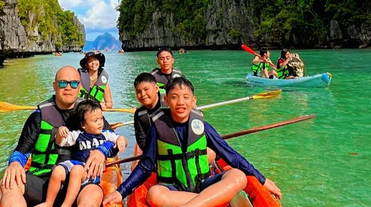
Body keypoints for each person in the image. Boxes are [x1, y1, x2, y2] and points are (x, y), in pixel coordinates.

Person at [102, 77, 282, 207]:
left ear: (193, 101)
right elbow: (145, 165)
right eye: (174, 97)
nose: (181, 102)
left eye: (186, 97)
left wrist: (263, 179)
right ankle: (210, 201)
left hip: (203, 185)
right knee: (154, 194)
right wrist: (121, 191)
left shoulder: (202, 126)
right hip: (173, 190)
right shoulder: (156, 128)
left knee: (238, 176)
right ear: (166, 100)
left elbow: (231, 155)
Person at [0, 66, 106, 207]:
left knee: (94, 194)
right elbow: (22, 150)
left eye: (73, 83)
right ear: (55, 86)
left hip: (80, 181)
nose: (68, 87)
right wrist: (15, 163)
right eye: (63, 83)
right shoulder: (38, 117)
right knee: (9, 184)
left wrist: (102, 151)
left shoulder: (89, 112)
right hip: (43, 181)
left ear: (79, 87)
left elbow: (113, 140)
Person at [36, 100, 127, 207]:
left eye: (101, 118)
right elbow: (60, 142)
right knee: (58, 170)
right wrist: (60, 131)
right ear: (83, 124)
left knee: (77, 170)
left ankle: (66, 205)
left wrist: (121, 139)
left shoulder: (106, 134)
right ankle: (48, 202)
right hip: (76, 163)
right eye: (95, 120)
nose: (100, 123)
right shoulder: (77, 135)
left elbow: (119, 139)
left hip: (90, 171)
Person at [132, 72, 162, 154]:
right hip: (154, 154)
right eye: (138, 92)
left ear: (156, 88)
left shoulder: (170, 106)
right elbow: (142, 141)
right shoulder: (139, 114)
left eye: (146, 89)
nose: (143, 94)